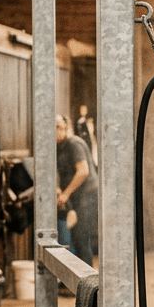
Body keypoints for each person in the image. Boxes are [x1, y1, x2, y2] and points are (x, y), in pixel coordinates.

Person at [56, 114, 98, 266]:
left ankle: (89, 284)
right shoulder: (58, 148)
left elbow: (83, 171)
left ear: (65, 128)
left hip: (88, 196)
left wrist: (66, 194)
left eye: (60, 127)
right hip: (76, 198)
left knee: (81, 239)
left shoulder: (73, 143)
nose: (58, 131)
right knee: (76, 239)